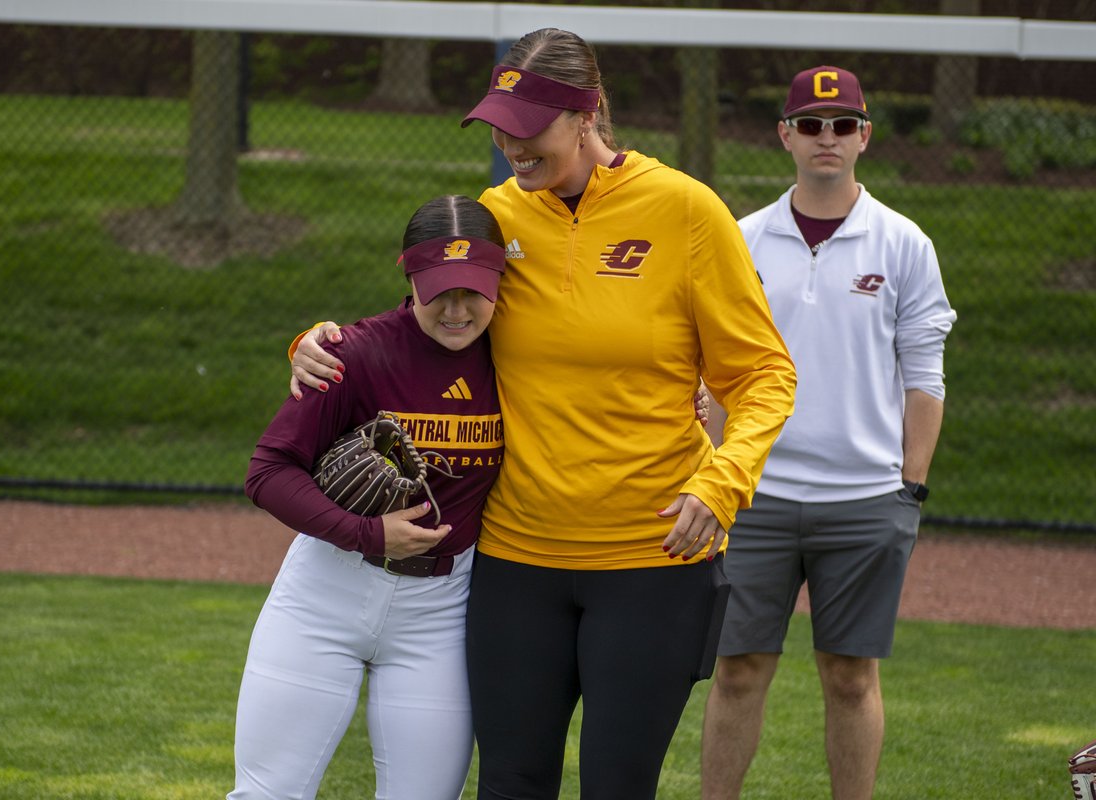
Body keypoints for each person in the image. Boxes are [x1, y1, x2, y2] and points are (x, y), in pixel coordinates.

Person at [287, 28, 797, 799]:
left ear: (585, 115)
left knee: (615, 786)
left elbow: (763, 372)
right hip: (516, 563)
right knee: (512, 783)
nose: (509, 145)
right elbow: (417, 337)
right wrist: (313, 345)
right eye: (498, 125)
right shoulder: (495, 215)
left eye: (527, 129)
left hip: (651, 560)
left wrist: (723, 481)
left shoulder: (687, 211)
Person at [699, 66, 957, 800]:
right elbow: (719, 375)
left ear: (865, 136)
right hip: (756, 493)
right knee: (738, 670)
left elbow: (925, 375)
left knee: (850, 676)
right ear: (784, 135)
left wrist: (909, 488)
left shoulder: (905, 244)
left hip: (867, 499)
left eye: (842, 124)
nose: (826, 138)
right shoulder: (741, 239)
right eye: (810, 124)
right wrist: (715, 475)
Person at [228, 195, 507, 800]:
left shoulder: (521, 358)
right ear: (409, 277)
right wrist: (366, 533)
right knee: (266, 793)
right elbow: (269, 470)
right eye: (439, 290)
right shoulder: (354, 353)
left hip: (442, 610)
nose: (457, 310)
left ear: (499, 281)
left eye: (474, 290)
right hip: (326, 591)